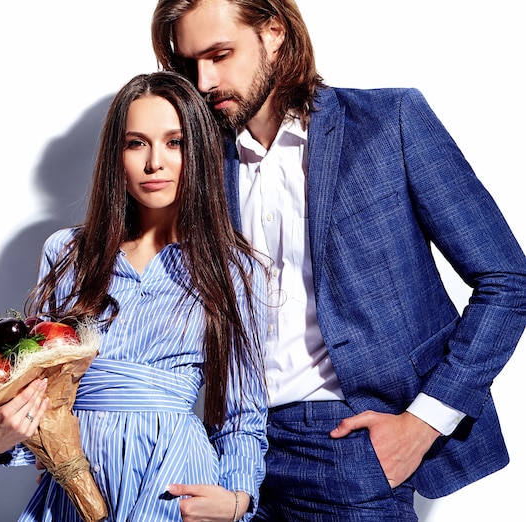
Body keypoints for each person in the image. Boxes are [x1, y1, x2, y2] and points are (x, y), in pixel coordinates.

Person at [150, 1, 526, 520]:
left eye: (219, 54)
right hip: (230, 454)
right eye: (189, 64)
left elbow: (507, 280)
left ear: (274, 33)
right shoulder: (197, 163)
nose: (204, 80)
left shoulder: (387, 122)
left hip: (347, 447)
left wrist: (423, 423)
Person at [0, 71, 269, 522]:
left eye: (175, 142)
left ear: (201, 153)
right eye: (136, 143)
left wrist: (238, 501)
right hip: (77, 485)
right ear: (117, 155)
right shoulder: (68, 253)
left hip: (174, 483)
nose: (156, 162)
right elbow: (36, 394)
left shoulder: (233, 268)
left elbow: (243, 413)